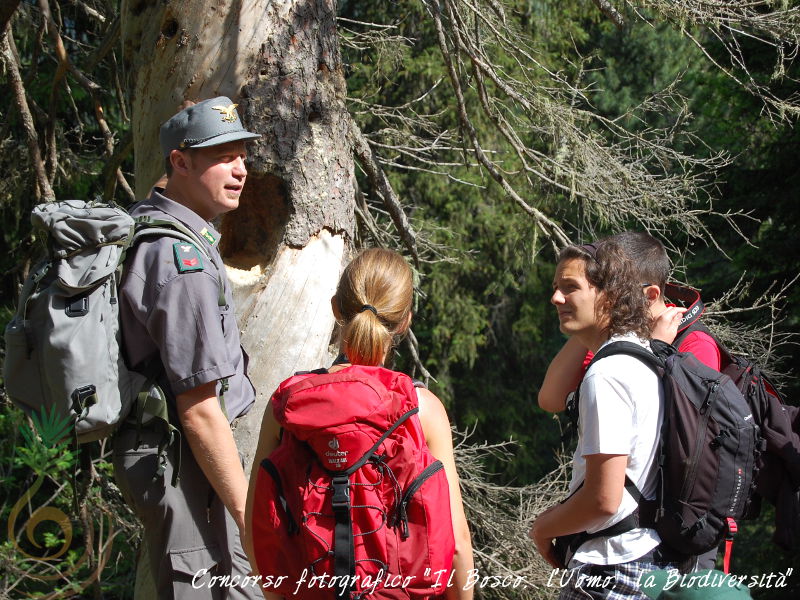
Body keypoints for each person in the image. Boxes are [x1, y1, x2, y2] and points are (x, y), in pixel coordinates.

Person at [244, 248, 475, 600]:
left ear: (337, 308)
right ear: (405, 320)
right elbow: (456, 544)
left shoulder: (288, 404)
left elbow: (258, 529)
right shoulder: (421, 410)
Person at [113, 97, 261, 599]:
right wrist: (247, 516)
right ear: (180, 162)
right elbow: (198, 410)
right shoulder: (181, 262)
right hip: (181, 458)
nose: (240, 169)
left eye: (242, 153)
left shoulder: (154, 221)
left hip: (175, 456)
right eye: (223, 155)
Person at [538, 231, 722, 570]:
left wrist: (656, 353)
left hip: (680, 535)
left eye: (616, 284)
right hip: (635, 541)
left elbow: (688, 446)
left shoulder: (692, 345)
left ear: (648, 295)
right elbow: (551, 398)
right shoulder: (613, 354)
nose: (556, 299)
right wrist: (593, 330)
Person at [529, 239, 671, 599]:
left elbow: (603, 500)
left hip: (610, 568)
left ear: (609, 295)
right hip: (644, 558)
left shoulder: (606, 374)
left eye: (570, 287)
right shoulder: (642, 357)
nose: (556, 299)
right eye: (556, 288)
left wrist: (542, 528)